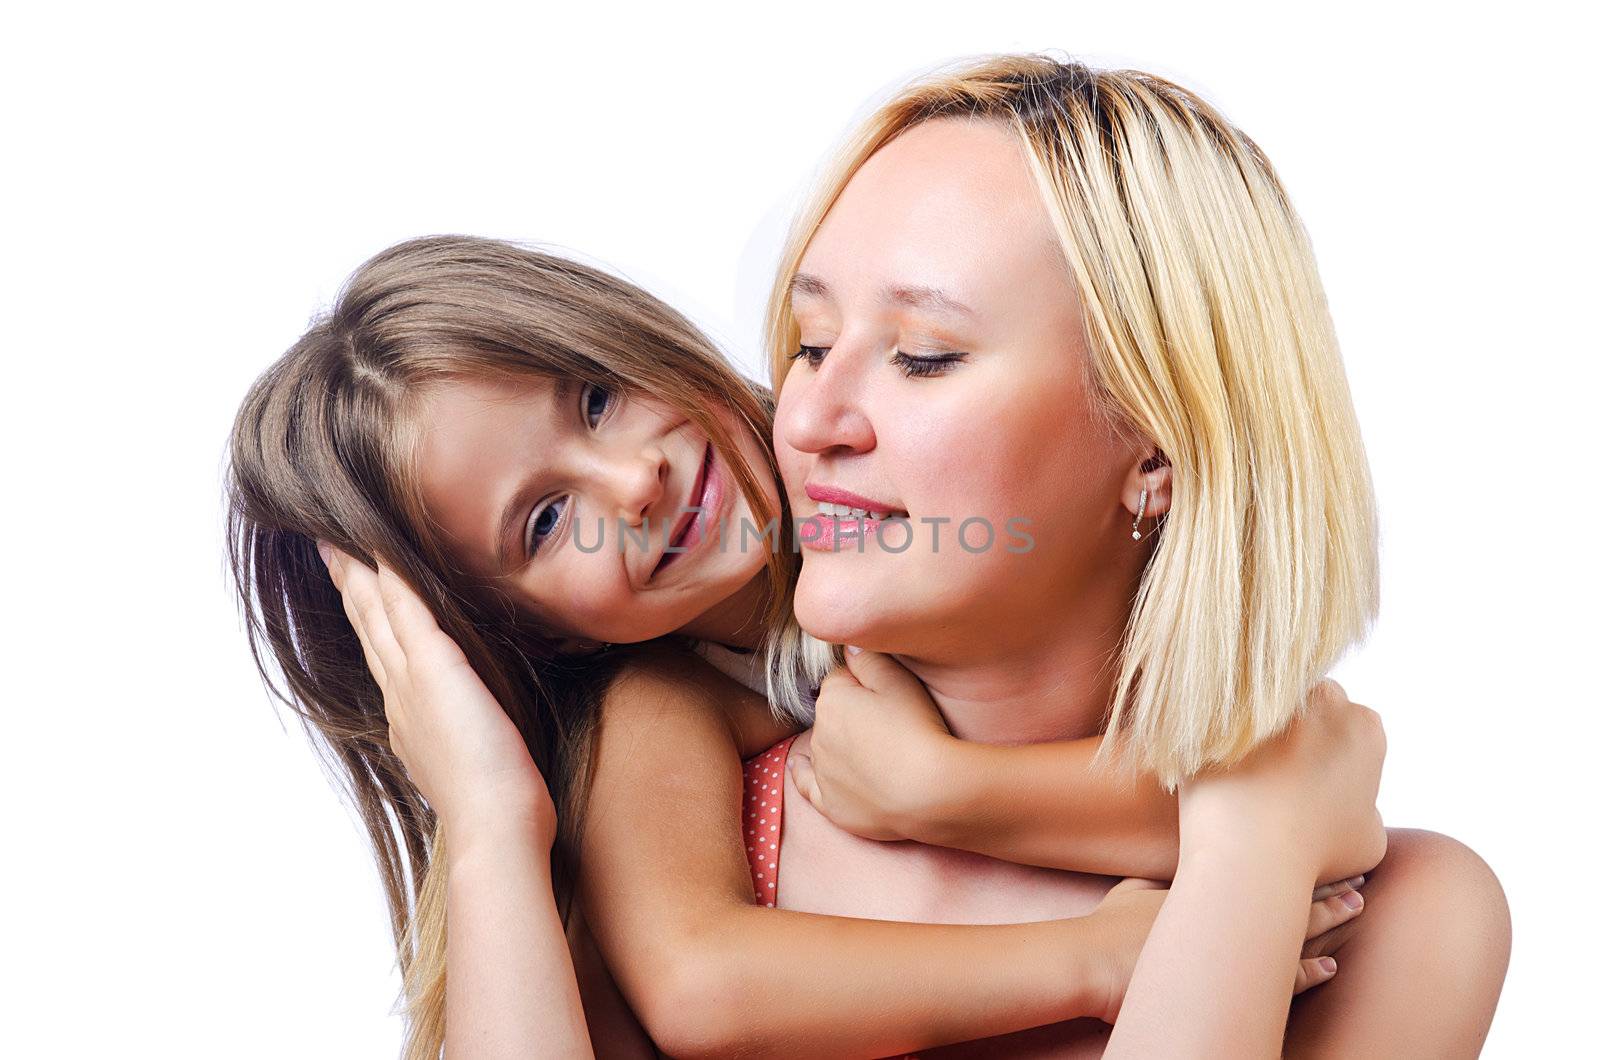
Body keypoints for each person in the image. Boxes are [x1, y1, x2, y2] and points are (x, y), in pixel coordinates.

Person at [231, 51, 1510, 1056]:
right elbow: (697, 980)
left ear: (1161, 441)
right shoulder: (667, 760)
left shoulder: (1398, 923)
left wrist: (1227, 814)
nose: (811, 418)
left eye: (925, 355)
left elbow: (1315, 789)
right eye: (809, 342)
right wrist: (489, 820)